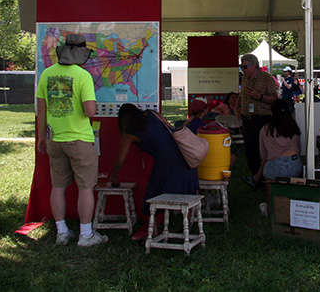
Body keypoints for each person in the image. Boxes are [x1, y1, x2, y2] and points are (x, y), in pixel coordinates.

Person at [36, 34, 107, 247]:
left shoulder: (47, 74)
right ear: (81, 55)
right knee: (85, 187)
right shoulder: (83, 76)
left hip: (54, 139)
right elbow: (89, 110)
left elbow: (41, 108)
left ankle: (62, 232)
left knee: (58, 186)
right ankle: (86, 235)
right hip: (80, 140)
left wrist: (41, 137)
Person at [110, 103, 199, 238]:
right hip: (185, 157)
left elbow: (120, 161)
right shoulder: (152, 114)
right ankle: (188, 225)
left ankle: (153, 231)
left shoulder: (129, 134)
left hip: (166, 164)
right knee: (187, 191)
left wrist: (114, 176)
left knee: (152, 196)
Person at [234, 53, 278, 177]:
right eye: (241, 67)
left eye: (245, 67)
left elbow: (275, 98)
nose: (242, 69)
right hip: (247, 119)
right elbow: (241, 95)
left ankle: (267, 176)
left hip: (262, 119)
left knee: (265, 150)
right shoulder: (245, 78)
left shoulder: (266, 78)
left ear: (254, 65)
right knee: (250, 150)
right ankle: (256, 177)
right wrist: (236, 108)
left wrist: (260, 97)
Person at [244, 99, 303, 190]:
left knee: (267, 163)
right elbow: (299, 149)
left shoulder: (266, 130)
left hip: (275, 168)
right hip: (295, 166)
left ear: (272, 113)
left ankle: (265, 188)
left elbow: (263, 155)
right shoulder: (294, 127)